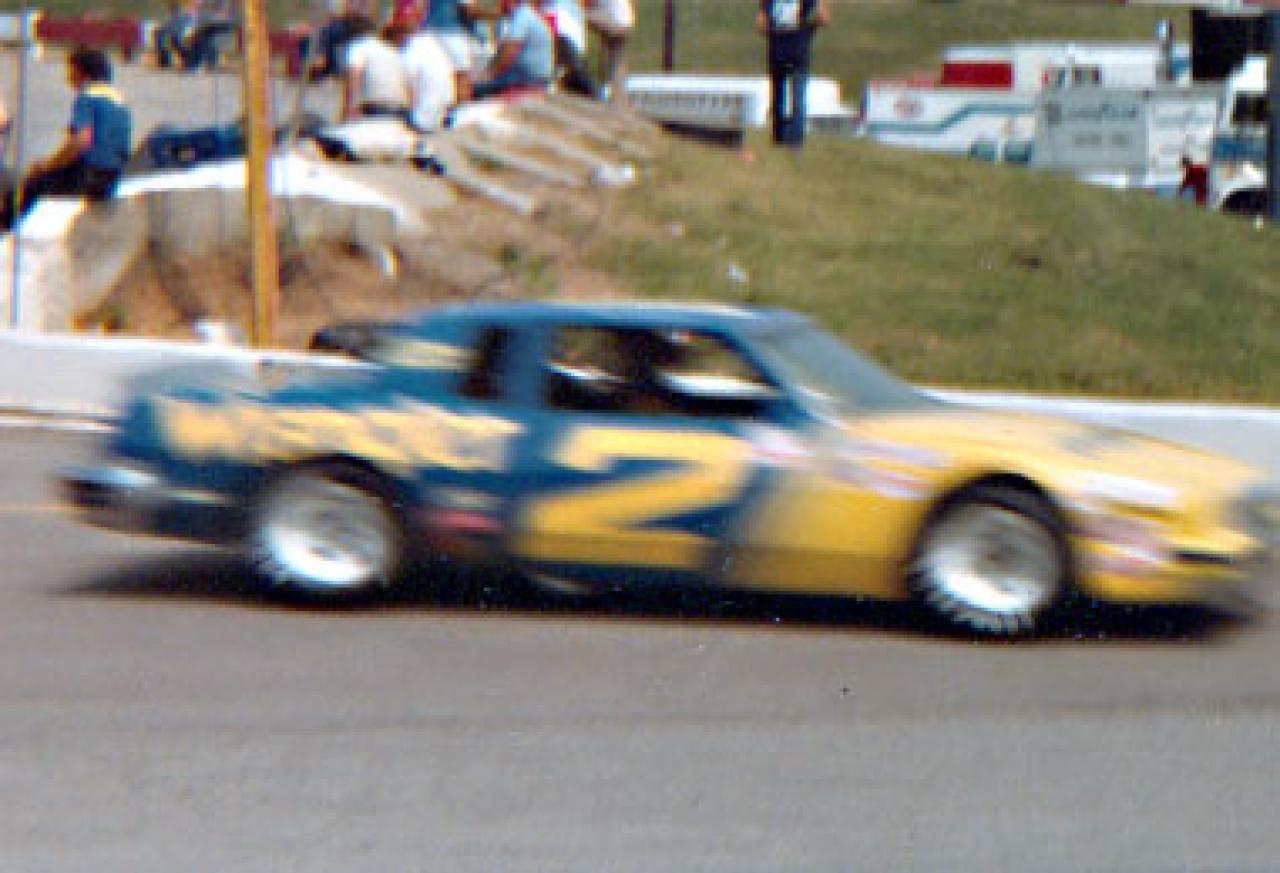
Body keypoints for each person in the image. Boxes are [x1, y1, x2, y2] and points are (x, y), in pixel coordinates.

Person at [1, 47, 132, 232]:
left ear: (81, 72)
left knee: (31, 184)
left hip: (87, 174)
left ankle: (4, 227)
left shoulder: (87, 97)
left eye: (70, 70)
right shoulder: (120, 101)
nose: (67, 76)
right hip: (112, 176)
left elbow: (80, 141)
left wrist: (47, 165)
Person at [756, 0, 829, 147]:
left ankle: (789, 138)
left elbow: (822, 18)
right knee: (783, 95)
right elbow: (761, 22)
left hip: (791, 44)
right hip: (785, 44)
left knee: (791, 96)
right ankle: (786, 138)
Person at [471, 0, 554, 100]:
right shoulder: (527, 14)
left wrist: (487, 74)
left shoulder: (521, 16)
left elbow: (508, 50)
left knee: (473, 90)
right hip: (532, 79)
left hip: (525, 82)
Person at [340, 16, 410, 122]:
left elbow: (355, 75)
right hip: (401, 109)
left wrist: (350, 108)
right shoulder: (389, 49)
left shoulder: (357, 46)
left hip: (375, 107)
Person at [401, 27, 457, 133]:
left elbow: (404, 86)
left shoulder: (412, 49)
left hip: (418, 120)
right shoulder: (437, 50)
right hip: (442, 119)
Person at [586, 0, 632, 103]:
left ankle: (601, 87)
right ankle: (610, 89)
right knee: (614, 59)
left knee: (579, 15)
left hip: (611, 20)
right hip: (626, 22)